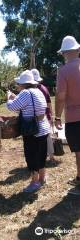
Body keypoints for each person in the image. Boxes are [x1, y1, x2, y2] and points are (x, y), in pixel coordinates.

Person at [7, 70, 50, 192]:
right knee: (41, 155)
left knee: (31, 156)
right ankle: (42, 179)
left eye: (19, 83)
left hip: (32, 131)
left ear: (24, 84)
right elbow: (28, 106)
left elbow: (12, 107)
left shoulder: (25, 92)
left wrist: (9, 98)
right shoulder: (38, 91)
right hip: (43, 128)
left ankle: (34, 182)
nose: (18, 86)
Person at [55, 35, 80, 188]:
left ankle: (79, 178)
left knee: (79, 152)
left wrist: (57, 116)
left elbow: (60, 97)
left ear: (64, 53)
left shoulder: (63, 71)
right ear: (77, 50)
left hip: (74, 117)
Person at [31, 68, 55, 161]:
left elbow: (48, 103)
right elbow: (49, 103)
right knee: (46, 137)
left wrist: (51, 116)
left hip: (42, 117)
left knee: (44, 138)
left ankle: (47, 157)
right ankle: (49, 156)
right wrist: (51, 115)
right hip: (46, 116)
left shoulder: (37, 89)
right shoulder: (44, 88)